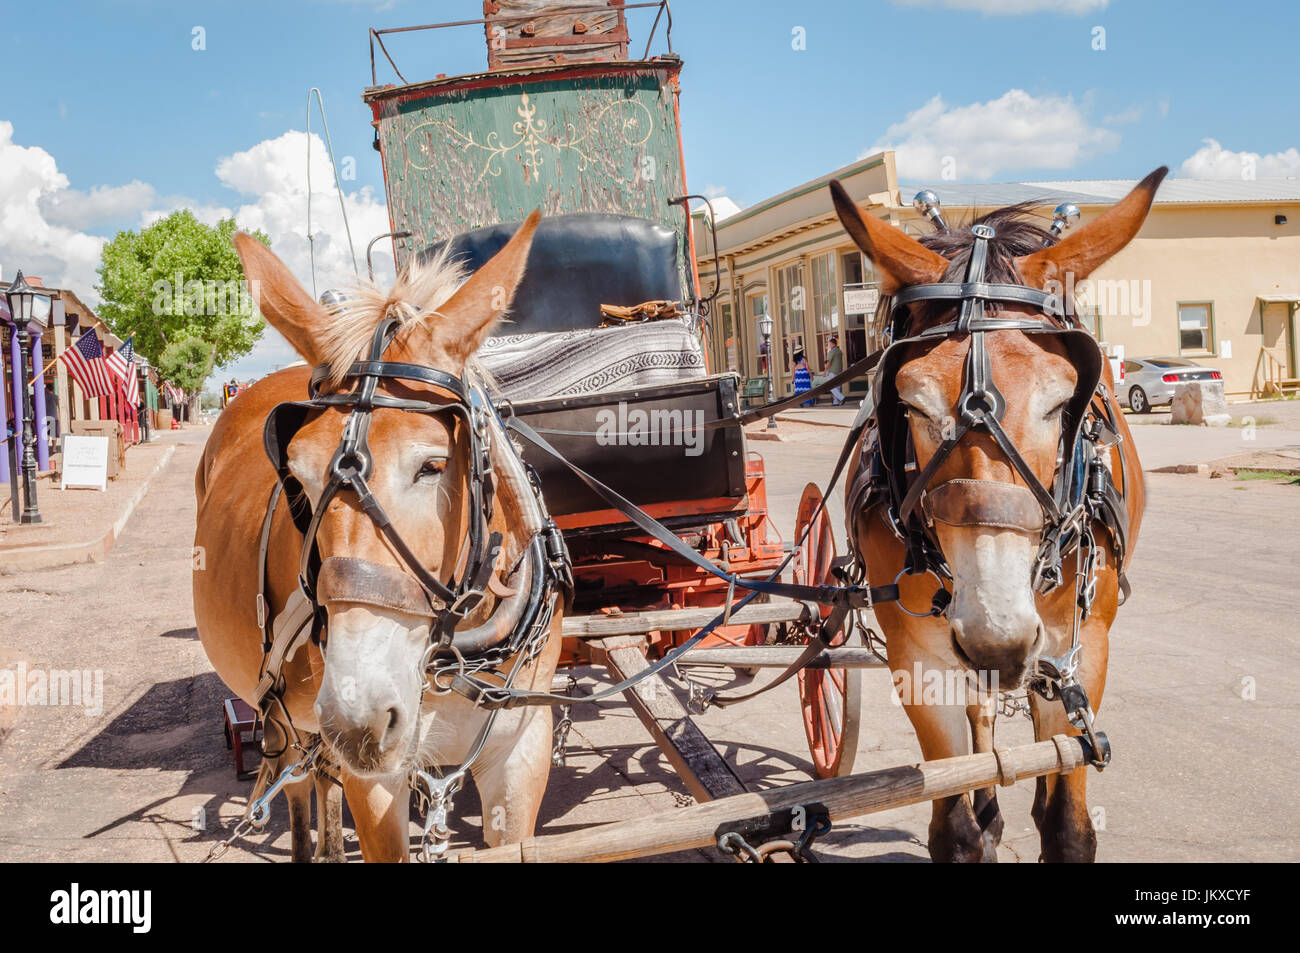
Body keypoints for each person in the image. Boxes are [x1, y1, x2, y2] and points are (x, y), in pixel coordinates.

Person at [826, 335, 845, 405]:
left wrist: (825, 371)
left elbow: (828, 362)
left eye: (829, 344)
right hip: (839, 371)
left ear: (832, 344)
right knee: (837, 387)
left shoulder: (832, 352)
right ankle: (835, 402)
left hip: (832, 372)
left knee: (830, 386)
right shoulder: (839, 351)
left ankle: (842, 398)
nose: (829, 345)